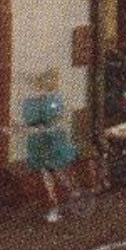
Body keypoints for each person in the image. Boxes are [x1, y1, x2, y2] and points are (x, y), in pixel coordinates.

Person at [14, 67, 88, 222]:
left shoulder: (55, 100)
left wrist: (44, 126)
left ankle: (73, 193)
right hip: (38, 141)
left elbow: (58, 118)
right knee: (45, 173)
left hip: (54, 139)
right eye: (40, 83)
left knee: (58, 172)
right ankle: (53, 206)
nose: (41, 87)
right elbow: (28, 121)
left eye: (51, 81)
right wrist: (22, 128)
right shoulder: (29, 102)